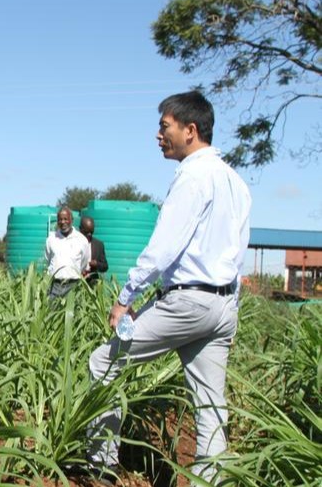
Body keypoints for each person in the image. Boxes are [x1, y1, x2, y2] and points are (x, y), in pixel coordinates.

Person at [86, 91, 251, 484]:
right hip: (222, 307)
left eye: (164, 127)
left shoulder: (193, 177)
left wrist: (125, 299)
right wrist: (230, 308)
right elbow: (238, 252)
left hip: (186, 303)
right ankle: (210, 480)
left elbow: (162, 249)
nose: (158, 135)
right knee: (210, 406)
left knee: (103, 362)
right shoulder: (235, 182)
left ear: (190, 130)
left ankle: (101, 466)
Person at [44, 206, 90, 299]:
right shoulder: (51, 239)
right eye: (60, 219)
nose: (62, 222)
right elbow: (48, 260)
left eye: (65, 219)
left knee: (72, 308)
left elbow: (84, 262)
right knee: (52, 308)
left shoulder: (81, 240)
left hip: (73, 285)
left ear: (71, 220)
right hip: (55, 285)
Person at [80, 216, 108, 284]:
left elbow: (105, 266)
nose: (89, 234)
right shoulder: (74, 243)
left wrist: (96, 264)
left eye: (91, 232)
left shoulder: (99, 245)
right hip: (77, 281)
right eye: (87, 232)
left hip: (92, 283)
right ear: (80, 229)